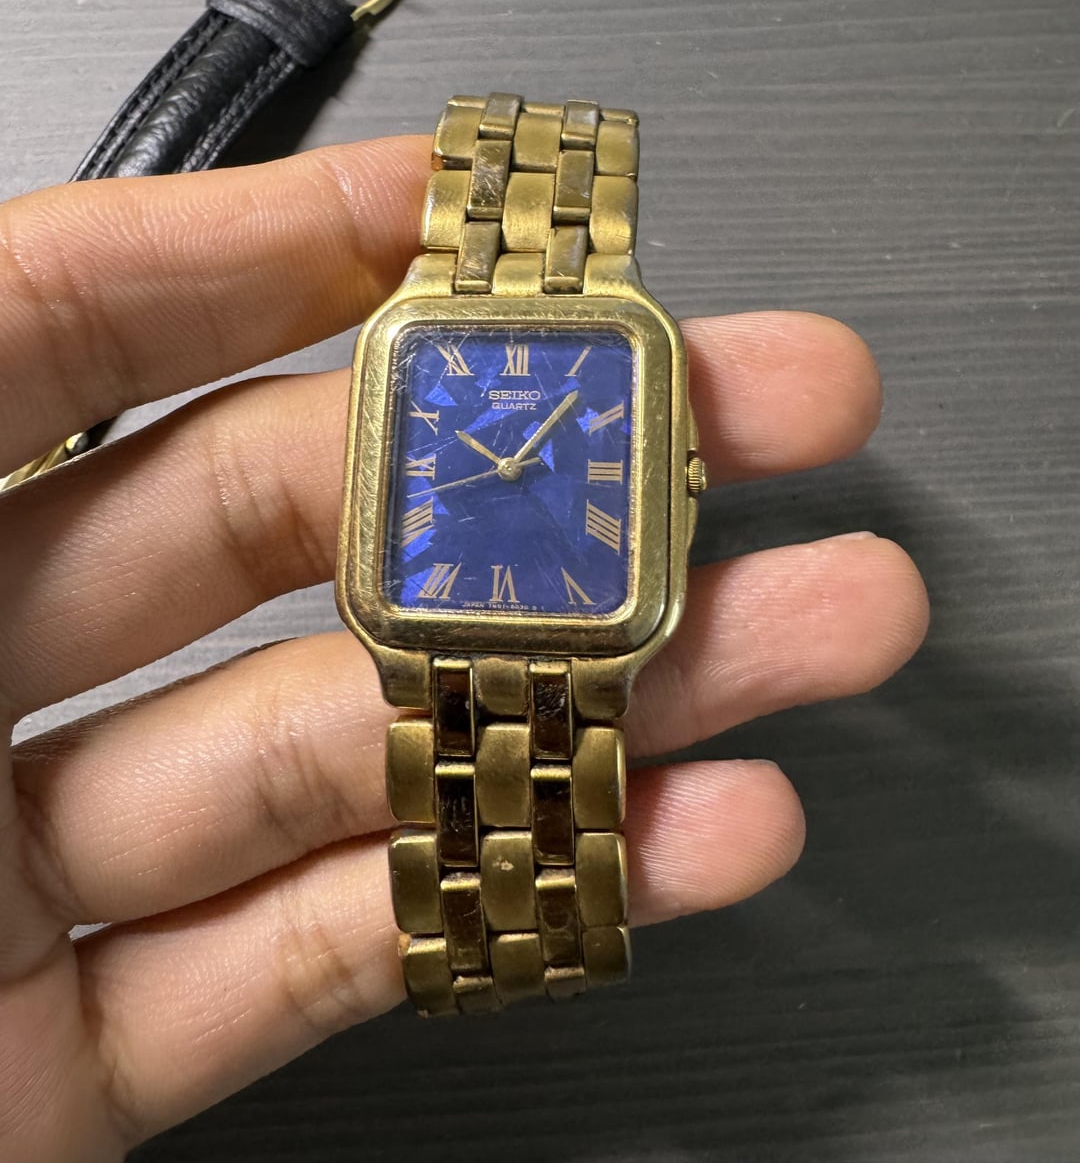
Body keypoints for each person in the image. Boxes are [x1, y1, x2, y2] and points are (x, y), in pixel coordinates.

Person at [0, 135, 929, 1161]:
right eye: (499, 455)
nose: (512, 463)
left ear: (683, 472)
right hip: (450, 633)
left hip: (552, 632)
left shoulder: (582, 356)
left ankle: (517, 948)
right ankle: (512, 950)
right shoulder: (434, 352)